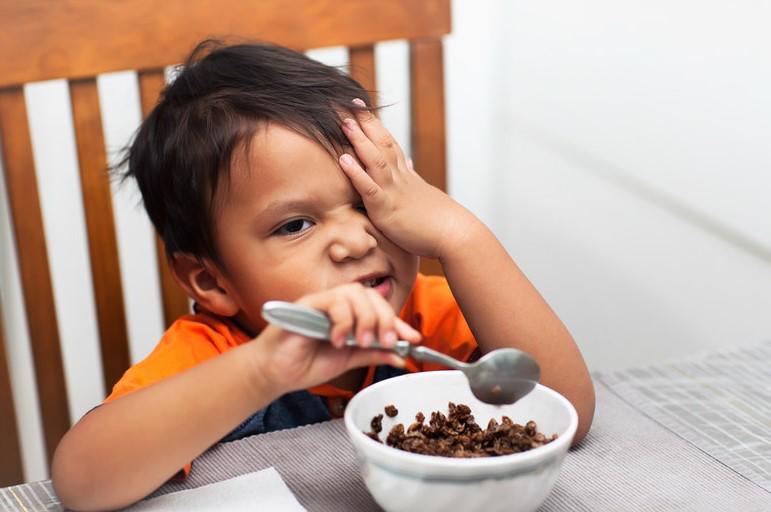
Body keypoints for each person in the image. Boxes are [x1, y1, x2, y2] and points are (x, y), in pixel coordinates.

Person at [51, 40, 595, 510]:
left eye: (368, 202)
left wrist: (460, 237)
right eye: (295, 225)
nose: (359, 240)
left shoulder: (426, 315)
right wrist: (263, 372)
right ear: (211, 282)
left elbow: (567, 413)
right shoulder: (215, 355)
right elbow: (81, 483)